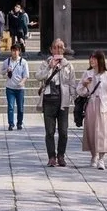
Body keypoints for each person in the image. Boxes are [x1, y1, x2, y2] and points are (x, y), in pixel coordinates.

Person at [38, 38, 76, 167]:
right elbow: (38, 76)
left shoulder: (68, 65)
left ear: (64, 50)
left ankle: (61, 155)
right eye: (55, 47)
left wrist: (74, 98)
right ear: (51, 49)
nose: (58, 50)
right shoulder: (45, 63)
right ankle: (51, 157)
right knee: (49, 131)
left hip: (62, 99)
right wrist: (50, 67)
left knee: (63, 131)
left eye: (60, 47)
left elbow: (72, 83)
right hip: (49, 99)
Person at [79, 50, 107, 169]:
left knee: (103, 132)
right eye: (91, 58)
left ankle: (101, 158)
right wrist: (84, 84)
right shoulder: (87, 73)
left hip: (104, 105)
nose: (92, 60)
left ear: (100, 60)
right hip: (91, 104)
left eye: (94, 58)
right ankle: (93, 155)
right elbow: (80, 91)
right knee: (91, 130)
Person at [2, 41, 29, 130]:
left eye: (16, 50)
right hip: (10, 88)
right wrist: (6, 70)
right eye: (13, 50)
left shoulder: (23, 62)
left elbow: (26, 75)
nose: (15, 52)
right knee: (10, 106)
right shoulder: (7, 61)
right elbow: (1, 72)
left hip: (20, 88)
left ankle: (19, 123)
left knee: (20, 107)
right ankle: (11, 124)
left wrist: (22, 82)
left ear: (19, 51)